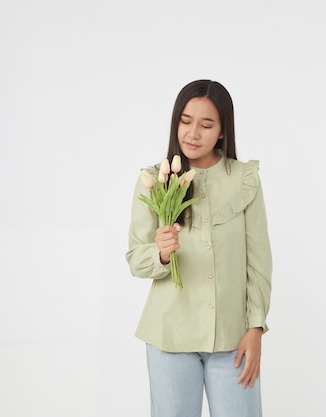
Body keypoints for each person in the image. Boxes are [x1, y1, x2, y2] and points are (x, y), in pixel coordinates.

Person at [126, 79, 272, 417]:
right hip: (169, 338)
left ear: (222, 131)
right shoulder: (154, 180)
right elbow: (136, 258)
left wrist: (255, 328)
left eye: (206, 125)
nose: (193, 133)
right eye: (185, 121)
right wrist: (161, 253)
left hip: (233, 340)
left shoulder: (244, 179)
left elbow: (259, 262)